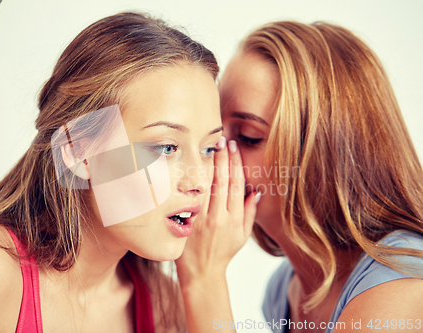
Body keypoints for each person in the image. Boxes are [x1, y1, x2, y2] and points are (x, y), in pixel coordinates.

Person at [0, 12, 226, 333]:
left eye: (209, 149)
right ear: (76, 151)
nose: (199, 182)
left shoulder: (162, 303)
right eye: (166, 147)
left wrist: (207, 276)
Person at [177, 21, 423, 332]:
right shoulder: (285, 289)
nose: (215, 156)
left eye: (248, 136)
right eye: (213, 135)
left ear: (325, 155)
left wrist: (202, 278)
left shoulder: (401, 292)